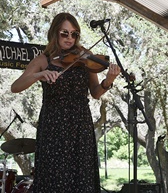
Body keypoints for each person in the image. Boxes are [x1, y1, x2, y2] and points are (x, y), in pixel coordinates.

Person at [11, 12, 121, 193]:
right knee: (55, 179)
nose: (70, 38)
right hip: (53, 128)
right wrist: (38, 75)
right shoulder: (43, 60)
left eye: (74, 34)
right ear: (55, 33)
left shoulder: (85, 55)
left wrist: (108, 81)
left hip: (80, 126)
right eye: (65, 33)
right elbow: (15, 87)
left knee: (81, 179)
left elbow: (95, 93)